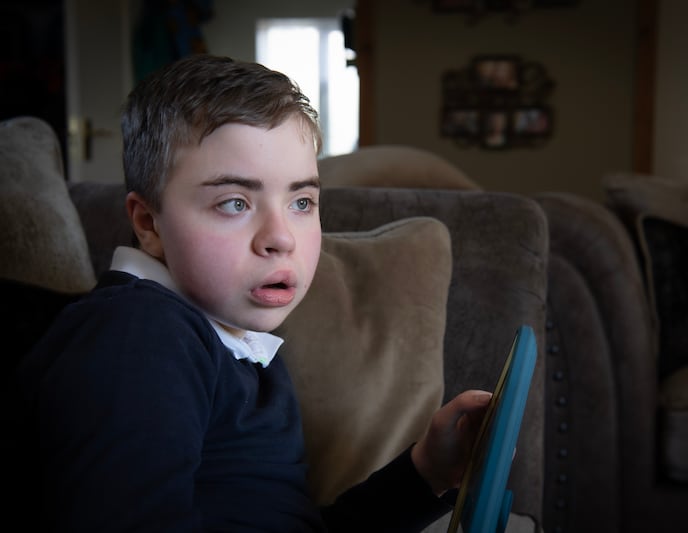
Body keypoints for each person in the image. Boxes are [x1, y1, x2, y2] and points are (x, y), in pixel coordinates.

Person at [11, 54, 492, 531]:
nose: (280, 238)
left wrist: (427, 471)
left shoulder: (241, 347)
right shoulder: (138, 336)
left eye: (301, 202)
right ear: (148, 224)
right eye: (235, 203)